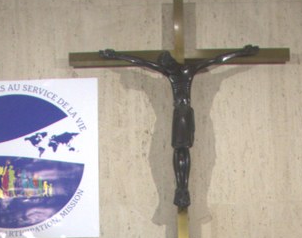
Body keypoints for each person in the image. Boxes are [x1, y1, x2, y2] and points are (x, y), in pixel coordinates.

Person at [99, 45, 258, 208]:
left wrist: (242, 52)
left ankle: (182, 189)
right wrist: (116, 55)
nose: (163, 67)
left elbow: (216, 60)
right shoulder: (174, 71)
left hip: (183, 113)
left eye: (165, 63)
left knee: (181, 148)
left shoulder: (183, 70)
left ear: (170, 61)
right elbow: (141, 62)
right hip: (182, 112)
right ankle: (182, 189)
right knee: (181, 148)